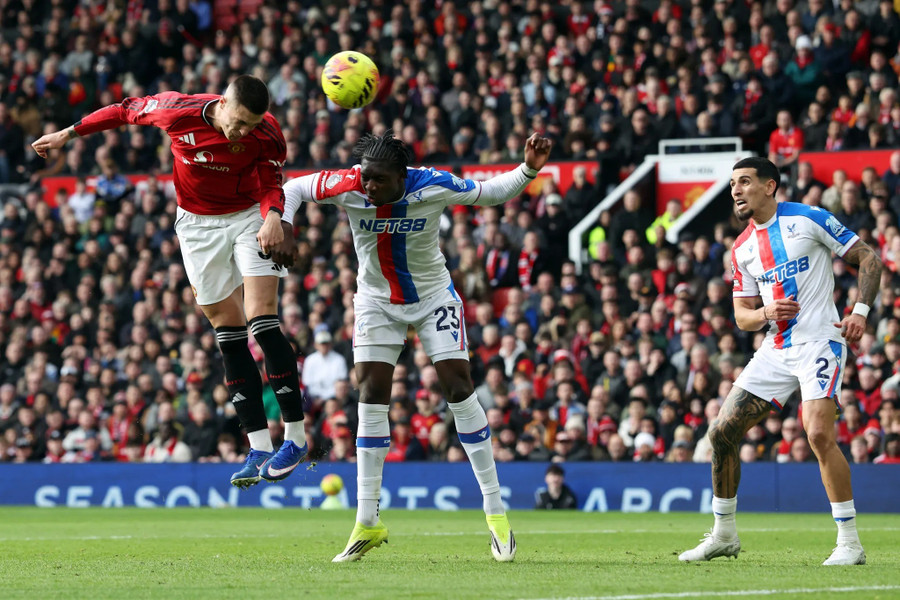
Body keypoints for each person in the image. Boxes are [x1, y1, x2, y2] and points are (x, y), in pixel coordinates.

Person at [281, 130, 552, 563]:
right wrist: (283, 221)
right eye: (366, 179)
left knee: (458, 389)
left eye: (379, 181)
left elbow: (491, 193)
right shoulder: (349, 185)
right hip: (375, 302)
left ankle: (495, 513)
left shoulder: (433, 183)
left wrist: (529, 169)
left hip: (433, 299)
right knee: (370, 394)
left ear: (402, 176)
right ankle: (367, 521)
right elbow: (293, 187)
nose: (369, 187)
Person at [31, 75, 308, 488]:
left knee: (262, 319)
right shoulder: (176, 111)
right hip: (197, 226)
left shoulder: (266, 132)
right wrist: (70, 132)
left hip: (249, 216)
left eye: (251, 124)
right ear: (223, 103)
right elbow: (124, 109)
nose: (242, 131)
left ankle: (296, 439)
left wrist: (272, 215)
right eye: (238, 122)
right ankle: (258, 448)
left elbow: (271, 181)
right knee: (228, 333)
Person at [679, 157, 882, 565]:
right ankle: (724, 535)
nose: (736, 190)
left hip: (820, 341)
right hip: (775, 348)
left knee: (819, 434)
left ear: (770, 186)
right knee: (720, 433)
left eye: (745, 182)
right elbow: (742, 316)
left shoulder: (809, 219)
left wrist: (859, 311)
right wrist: (766, 315)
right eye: (733, 183)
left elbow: (869, 258)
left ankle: (850, 543)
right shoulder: (741, 249)